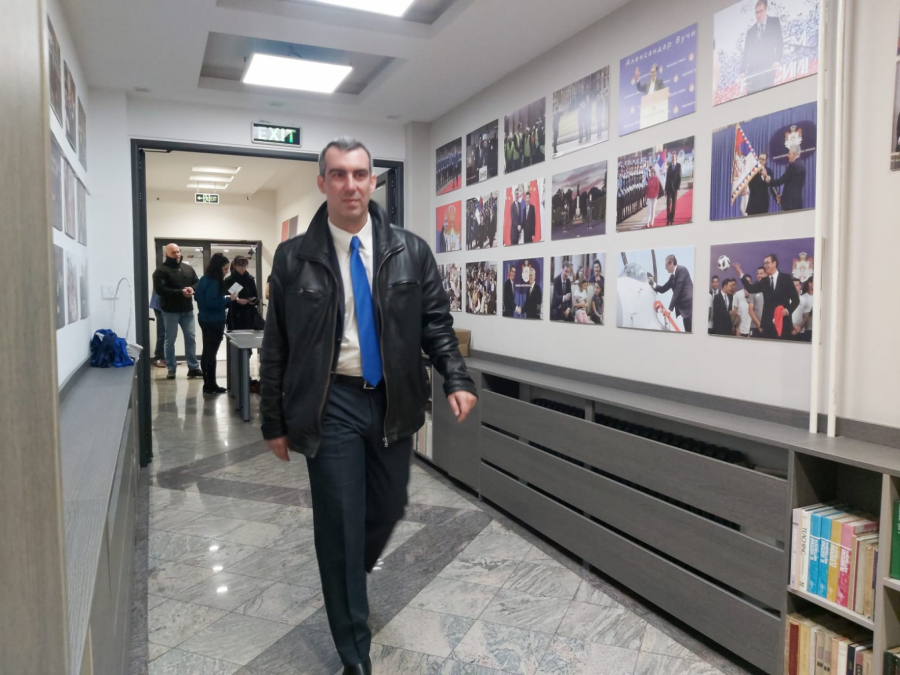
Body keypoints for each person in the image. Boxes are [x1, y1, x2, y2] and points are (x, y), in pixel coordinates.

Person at [261, 137, 477, 675]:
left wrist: (455, 375)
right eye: (338, 174)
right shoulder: (293, 258)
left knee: (387, 506)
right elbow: (276, 344)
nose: (350, 185)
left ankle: (345, 576)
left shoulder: (410, 251)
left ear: (373, 181)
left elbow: (436, 324)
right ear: (322, 183)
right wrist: (273, 420)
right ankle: (355, 654)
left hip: (391, 401)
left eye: (359, 174)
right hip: (328, 401)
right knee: (340, 521)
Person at [152, 243, 203, 380]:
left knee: (190, 338)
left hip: (187, 310)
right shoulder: (160, 271)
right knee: (170, 340)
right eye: (174, 252)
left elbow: (197, 282)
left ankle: (193, 368)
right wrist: (180, 292)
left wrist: (192, 289)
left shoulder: (187, 268)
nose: (177, 254)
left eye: (178, 251)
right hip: (170, 311)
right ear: (166, 254)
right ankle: (171, 368)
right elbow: (160, 290)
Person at [195, 253, 245, 394]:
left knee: (206, 352)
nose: (227, 272)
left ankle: (207, 383)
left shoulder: (203, 279)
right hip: (214, 320)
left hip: (204, 318)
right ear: (218, 268)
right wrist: (230, 299)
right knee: (211, 353)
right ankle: (211, 385)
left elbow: (198, 298)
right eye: (225, 269)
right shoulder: (214, 282)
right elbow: (212, 302)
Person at [733, 254, 800, 339]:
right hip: (767, 326)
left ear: (774, 263)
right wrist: (740, 274)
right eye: (764, 263)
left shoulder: (786, 279)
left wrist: (786, 311)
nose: (765, 265)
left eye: (767, 263)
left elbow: (796, 300)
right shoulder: (764, 281)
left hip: (784, 325)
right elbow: (750, 289)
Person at [740, 0, 784, 95]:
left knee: (767, 95)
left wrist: (777, 60)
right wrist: (742, 71)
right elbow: (746, 53)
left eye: (761, 11)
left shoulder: (774, 22)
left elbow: (779, 43)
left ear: (766, 9)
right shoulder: (751, 32)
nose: (758, 15)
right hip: (753, 72)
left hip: (769, 68)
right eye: (756, 12)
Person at [650, 254, 694, 332]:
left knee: (691, 332)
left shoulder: (682, 270)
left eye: (666, 265)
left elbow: (677, 291)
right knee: (688, 332)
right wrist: (653, 284)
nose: (665, 268)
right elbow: (663, 289)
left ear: (671, 263)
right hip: (685, 312)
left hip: (690, 309)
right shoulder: (672, 277)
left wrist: (669, 310)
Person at [765, 145, 806, 211]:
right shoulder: (802, 165)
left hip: (790, 204)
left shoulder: (793, 165)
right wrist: (783, 196)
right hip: (797, 202)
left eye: (789, 153)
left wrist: (769, 181)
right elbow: (793, 186)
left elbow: (781, 180)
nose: (788, 155)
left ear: (794, 154)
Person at [224, 256, 260, 330]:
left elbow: (255, 296)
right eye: (240, 266)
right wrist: (237, 301)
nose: (242, 269)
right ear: (234, 266)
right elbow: (226, 299)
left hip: (249, 314)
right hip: (234, 315)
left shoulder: (250, 279)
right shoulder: (228, 280)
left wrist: (252, 300)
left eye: (244, 266)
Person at [149, 291, 166, 368]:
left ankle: (164, 358)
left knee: (164, 332)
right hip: (160, 305)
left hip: (162, 305)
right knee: (163, 332)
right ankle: (158, 358)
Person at [664, 151, 682, 226]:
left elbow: (679, 177)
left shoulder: (678, 166)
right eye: (672, 157)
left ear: (676, 157)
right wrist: (665, 189)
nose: (672, 158)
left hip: (675, 189)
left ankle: (672, 218)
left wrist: (678, 188)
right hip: (669, 188)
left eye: (674, 157)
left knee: (674, 204)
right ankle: (668, 218)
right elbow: (667, 179)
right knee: (668, 204)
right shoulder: (669, 167)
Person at [748, 266, 766, 337]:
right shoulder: (753, 289)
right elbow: (750, 310)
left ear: (766, 274)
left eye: (761, 273)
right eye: (758, 274)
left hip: (767, 327)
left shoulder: (770, 289)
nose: (759, 275)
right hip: (755, 326)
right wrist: (759, 324)